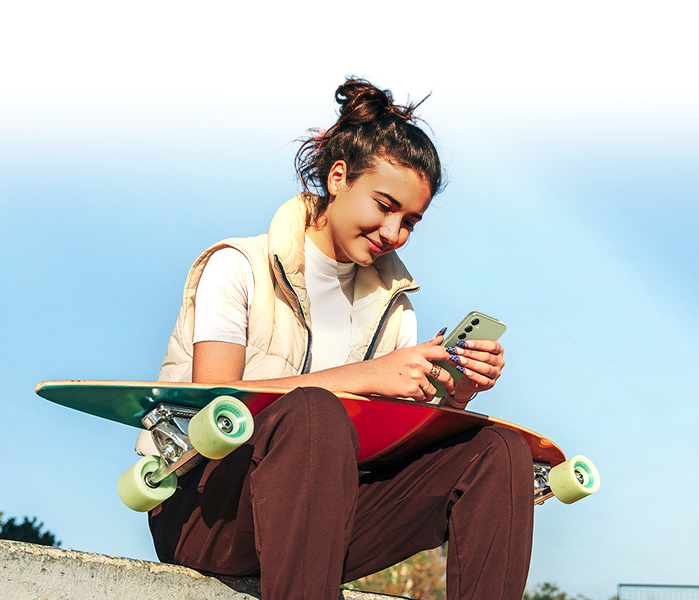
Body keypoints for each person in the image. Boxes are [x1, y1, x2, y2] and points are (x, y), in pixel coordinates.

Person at [144, 78, 534, 600]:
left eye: (410, 221)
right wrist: (370, 376)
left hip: (324, 520)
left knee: (498, 449)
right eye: (383, 204)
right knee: (313, 414)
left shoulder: (395, 306)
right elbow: (213, 402)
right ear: (338, 177)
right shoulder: (237, 266)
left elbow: (388, 445)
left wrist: (454, 394)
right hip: (205, 511)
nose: (393, 232)